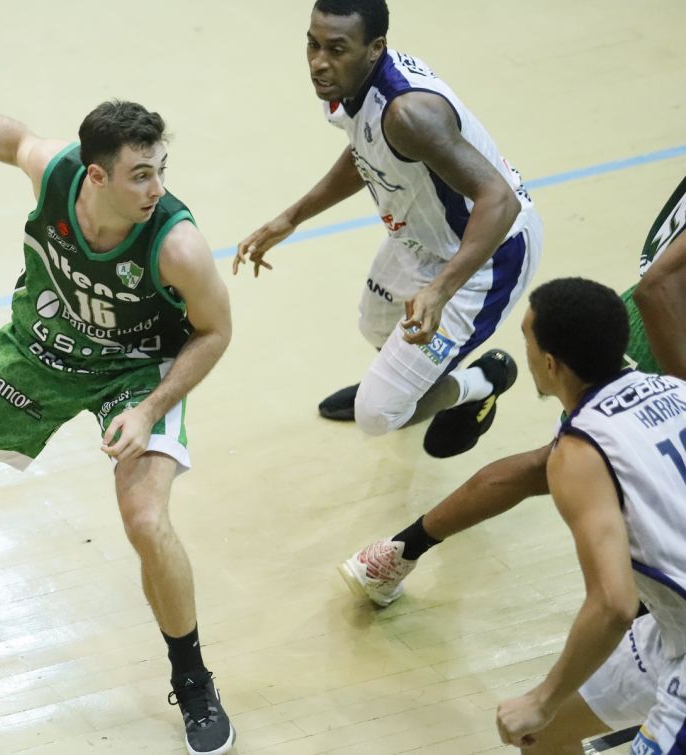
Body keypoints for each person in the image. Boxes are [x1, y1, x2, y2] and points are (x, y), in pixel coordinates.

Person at [0, 97, 236, 755]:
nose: (156, 188)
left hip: (137, 371)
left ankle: (192, 677)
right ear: (96, 175)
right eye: (140, 175)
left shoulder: (177, 244)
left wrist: (148, 409)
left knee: (145, 521)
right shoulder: (59, 174)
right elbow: (15, 139)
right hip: (42, 348)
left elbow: (215, 332)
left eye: (160, 170)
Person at [340, 175, 686, 610]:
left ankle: (404, 548)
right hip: (666, 321)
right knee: (576, 459)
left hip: (651, 315)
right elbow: (657, 284)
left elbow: (655, 283)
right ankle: (406, 547)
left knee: (570, 459)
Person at [233, 0, 543, 458]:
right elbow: (369, 149)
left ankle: (483, 381)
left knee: (377, 414)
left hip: (486, 253)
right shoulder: (353, 83)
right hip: (420, 238)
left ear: (375, 48)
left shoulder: (409, 114)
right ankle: (409, 382)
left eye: (336, 49)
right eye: (313, 45)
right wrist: (293, 216)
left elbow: (500, 201)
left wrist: (440, 290)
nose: (319, 62)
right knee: (375, 325)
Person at [491, 277, 686, 753]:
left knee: (539, 712)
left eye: (527, 340)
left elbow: (614, 603)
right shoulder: (676, 388)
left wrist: (542, 697)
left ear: (550, 363)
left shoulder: (579, 453)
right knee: (543, 734)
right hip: (672, 629)